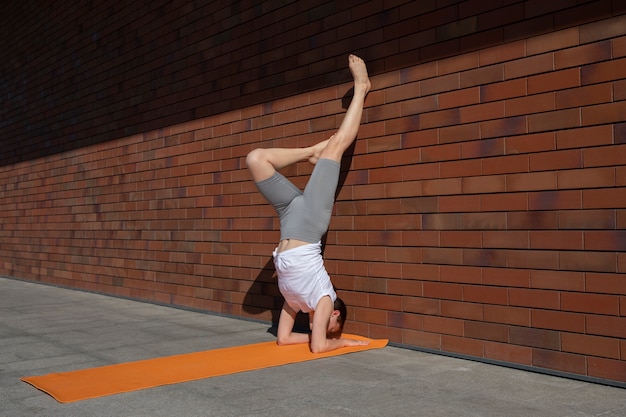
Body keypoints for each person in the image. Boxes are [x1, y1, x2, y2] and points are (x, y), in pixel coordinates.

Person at [245, 54, 371, 353]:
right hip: (311, 222)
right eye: (332, 329)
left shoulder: (296, 301)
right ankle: (362, 86)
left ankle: (311, 153)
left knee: (255, 159)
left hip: (289, 220)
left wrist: (324, 337)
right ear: (335, 315)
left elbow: (284, 339)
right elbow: (318, 348)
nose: (326, 331)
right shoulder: (324, 299)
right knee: (338, 144)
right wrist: (343, 341)